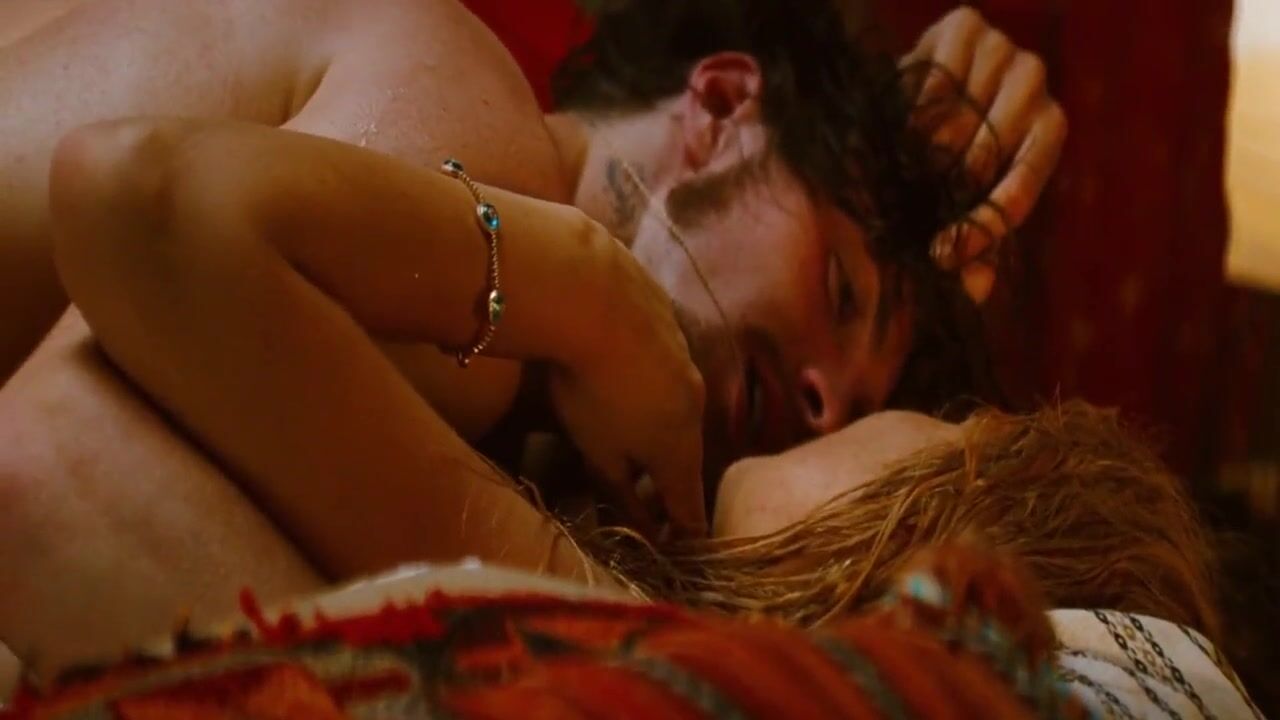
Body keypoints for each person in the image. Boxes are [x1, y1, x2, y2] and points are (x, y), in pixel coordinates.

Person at [0, 0, 1062, 678]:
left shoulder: (521, 404)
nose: (823, 401)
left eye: (857, 405)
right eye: (838, 286)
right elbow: (49, 468)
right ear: (721, 101)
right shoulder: (479, 123)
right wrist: (607, 640)